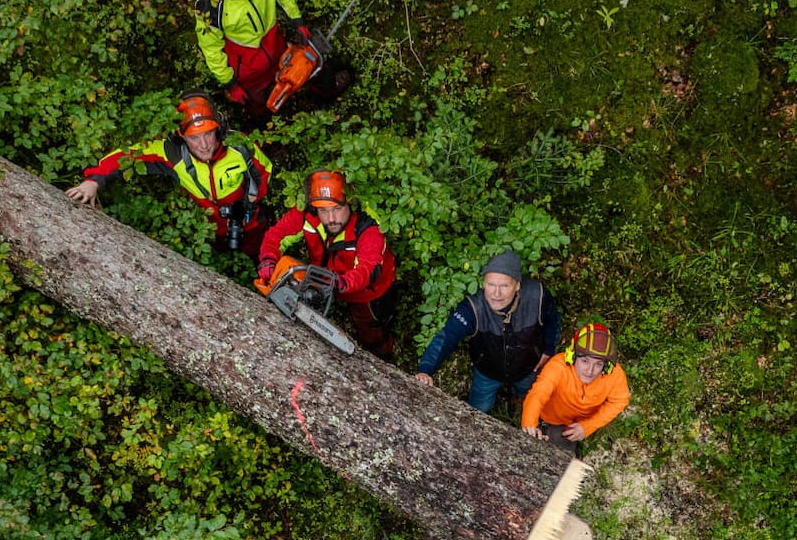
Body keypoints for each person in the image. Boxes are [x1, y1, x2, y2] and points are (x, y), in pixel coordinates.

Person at [65, 92, 271, 256]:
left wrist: (251, 199)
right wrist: (94, 180)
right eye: (194, 138)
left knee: (259, 251)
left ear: (219, 129)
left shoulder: (240, 146)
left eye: (208, 134)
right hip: (209, 229)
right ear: (182, 137)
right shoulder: (173, 154)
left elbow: (264, 169)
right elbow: (129, 155)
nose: (204, 144)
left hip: (249, 221)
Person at [194, 0, 352, 125]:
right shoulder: (209, 8)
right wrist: (230, 84)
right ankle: (268, 134)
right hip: (247, 68)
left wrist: (298, 23)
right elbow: (212, 51)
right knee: (259, 107)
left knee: (305, 68)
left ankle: (322, 95)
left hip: (275, 46)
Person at [259, 170, 398, 356]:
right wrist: (268, 261)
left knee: (370, 329)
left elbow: (367, 269)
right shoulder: (307, 214)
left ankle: (383, 353)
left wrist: (339, 283)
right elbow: (276, 235)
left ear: (349, 202)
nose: (331, 218)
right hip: (326, 276)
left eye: (337, 209)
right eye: (324, 211)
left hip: (367, 291)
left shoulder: (368, 228)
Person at [415, 250, 561, 413]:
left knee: (525, 393)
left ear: (518, 285)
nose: (496, 293)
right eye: (491, 285)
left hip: (527, 367)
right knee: (478, 410)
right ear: (483, 283)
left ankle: (517, 401)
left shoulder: (537, 295)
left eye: (504, 286)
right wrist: (426, 369)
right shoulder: (472, 307)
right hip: (488, 370)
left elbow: (552, 320)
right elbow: (447, 337)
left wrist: (549, 349)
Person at [521, 322, 630, 457]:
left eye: (598, 364)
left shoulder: (614, 374)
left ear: (606, 365)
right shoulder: (558, 366)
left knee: (563, 459)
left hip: (578, 423)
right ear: (573, 356)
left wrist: (588, 426)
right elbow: (538, 394)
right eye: (585, 361)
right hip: (552, 420)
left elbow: (620, 401)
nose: (590, 371)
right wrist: (530, 424)